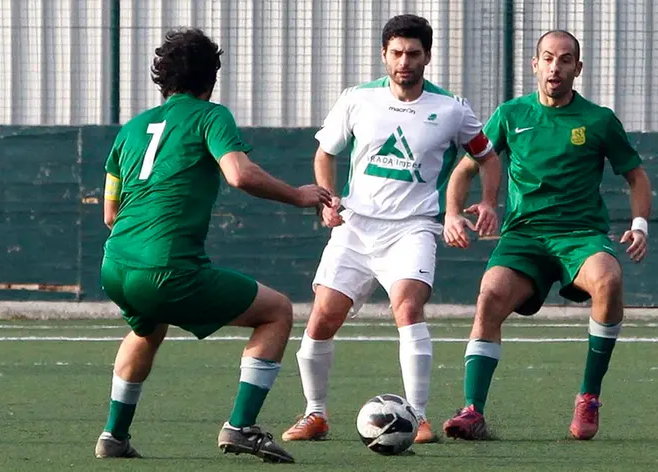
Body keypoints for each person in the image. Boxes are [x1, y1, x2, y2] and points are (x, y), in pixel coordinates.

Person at [94, 27, 332, 463]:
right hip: (165, 268)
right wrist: (299, 195)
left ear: (161, 78)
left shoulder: (129, 130)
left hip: (115, 267)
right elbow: (239, 174)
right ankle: (240, 427)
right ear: (212, 76)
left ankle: (114, 435)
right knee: (277, 310)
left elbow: (110, 214)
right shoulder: (210, 116)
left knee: (147, 327)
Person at [281, 14, 498, 444]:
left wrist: (489, 201)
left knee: (407, 308)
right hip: (356, 228)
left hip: (413, 229)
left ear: (428, 57)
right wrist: (329, 199)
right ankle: (316, 414)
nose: (404, 62)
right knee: (323, 315)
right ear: (384, 55)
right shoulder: (356, 99)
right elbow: (325, 153)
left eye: (413, 54)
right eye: (396, 53)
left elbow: (487, 156)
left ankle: (416, 416)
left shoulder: (451, 108)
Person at [441, 30, 653, 441]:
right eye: (549, 58)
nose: (556, 67)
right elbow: (467, 168)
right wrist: (453, 212)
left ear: (578, 68)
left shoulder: (599, 120)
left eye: (566, 59)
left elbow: (636, 176)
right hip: (525, 237)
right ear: (535, 64)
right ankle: (472, 411)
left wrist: (639, 224)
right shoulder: (510, 114)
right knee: (489, 295)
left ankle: (589, 396)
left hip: (580, 235)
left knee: (609, 279)